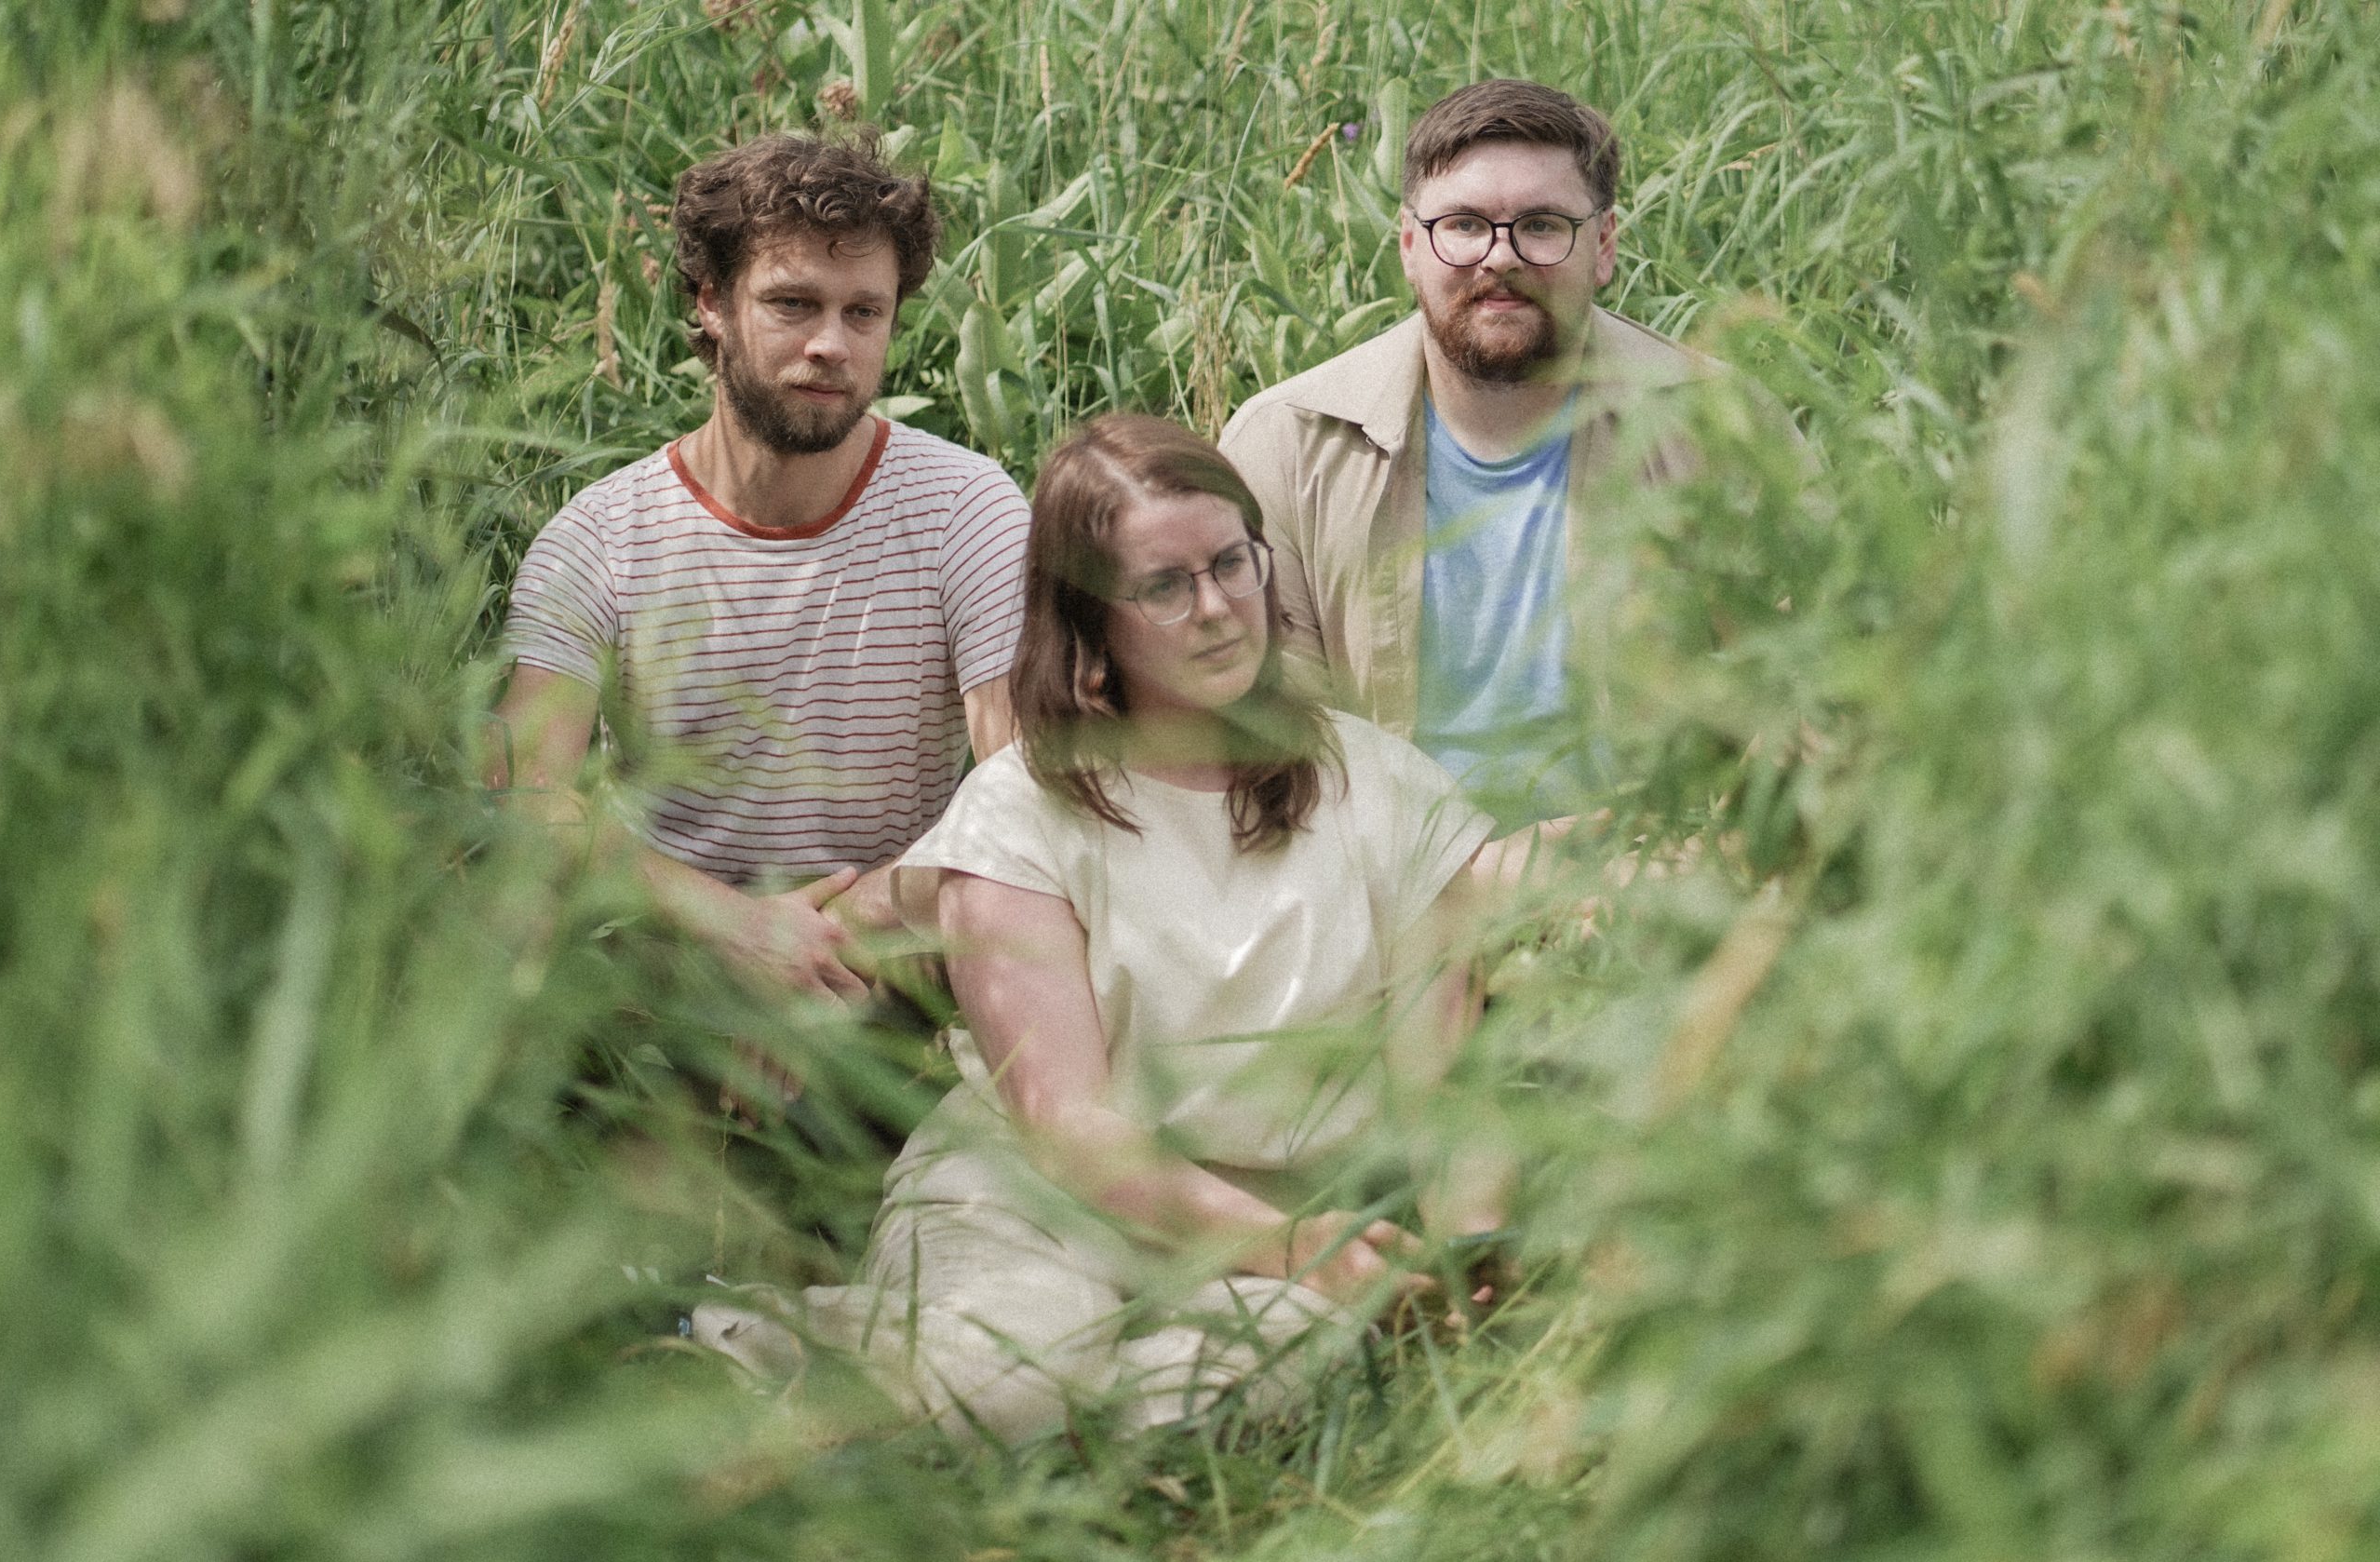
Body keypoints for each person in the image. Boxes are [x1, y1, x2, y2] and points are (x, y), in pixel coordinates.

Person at [692, 416, 1503, 1443]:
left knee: (1248, 1382)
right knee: (1012, 1378)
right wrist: (1303, 1247)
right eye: (1164, 585)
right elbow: (1069, 1129)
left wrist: (1470, 1249)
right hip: (1035, 1202)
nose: (1215, 608)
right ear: (1090, 620)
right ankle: (717, 1337)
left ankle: (961, 1423)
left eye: (1232, 564)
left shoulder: (1381, 787)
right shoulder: (1021, 813)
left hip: (1281, 1219)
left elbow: (1449, 1088)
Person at [485, 132, 1031, 1016]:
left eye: (864, 313)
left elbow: (1030, 778)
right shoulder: (603, 538)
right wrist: (737, 932)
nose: (830, 345)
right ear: (712, 303)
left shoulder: (966, 510)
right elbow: (522, 793)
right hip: (666, 970)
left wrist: (824, 938)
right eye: (792, 304)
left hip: (895, 964)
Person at [1220, 79, 1728, 837]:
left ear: (1606, 246)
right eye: (1463, 225)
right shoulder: (1287, 448)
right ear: (1408, 246)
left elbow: (1797, 704)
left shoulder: (1718, 428)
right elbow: (1267, 747)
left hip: (1649, 881)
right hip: (1385, 887)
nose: (1501, 257)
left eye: (1542, 225)